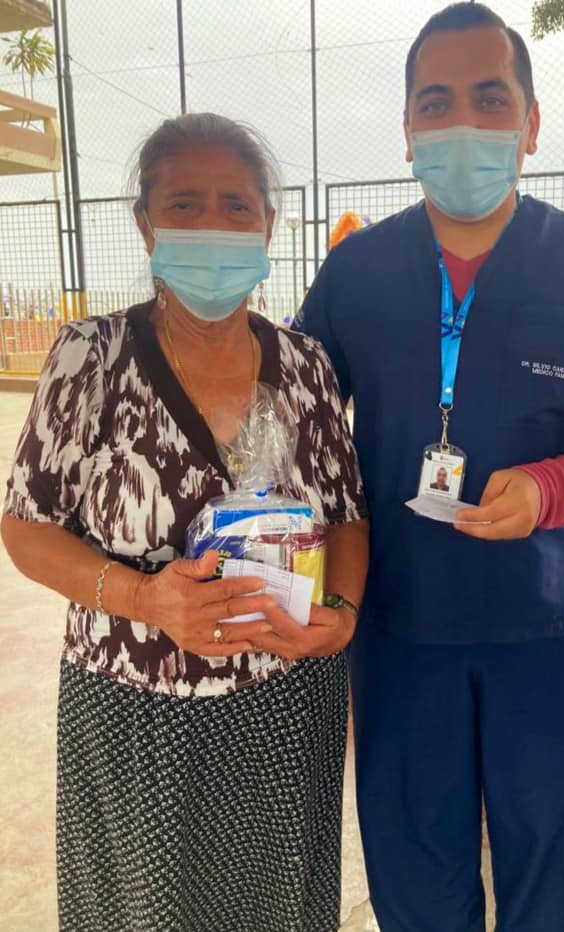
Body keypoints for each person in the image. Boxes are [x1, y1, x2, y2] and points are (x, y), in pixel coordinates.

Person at [294, 5, 564, 931]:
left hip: (544, 632)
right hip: (398, 625)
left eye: (490, 99)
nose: (463, 124)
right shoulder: (356, 273)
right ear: (406, 130)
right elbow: (296, 427)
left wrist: (552, 488)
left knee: (551, 862)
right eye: (435, 103)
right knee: (412, 865)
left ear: (530, 123)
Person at [1, 113, 369, 932]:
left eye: (236, 205)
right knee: (151, 910)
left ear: (268, 225)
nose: (212, 225)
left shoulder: (305, 364)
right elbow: (26, 528)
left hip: (286, 702)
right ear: (146, 223)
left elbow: (347, 514)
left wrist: (341, 617)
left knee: (277, 907)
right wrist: (144, 599)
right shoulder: (90, 357)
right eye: (184, 204)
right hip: (138, 710)